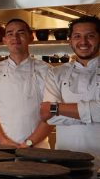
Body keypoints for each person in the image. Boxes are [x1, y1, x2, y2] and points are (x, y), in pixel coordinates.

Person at [0, 19, 51, 148]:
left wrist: (29, 143)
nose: (15, 37)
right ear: (4, 40)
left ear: (31, 37)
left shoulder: (47, 70)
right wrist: (4, 142)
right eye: (10, 34)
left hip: (38, 149)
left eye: (21, 33)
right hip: (2, 149)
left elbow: (51, 114)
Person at [40, 16, 100, 156]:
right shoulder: (56, 73)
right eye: (77, 36)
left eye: (90, 36)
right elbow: (50, 117)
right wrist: (92, 114)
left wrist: (58, 108)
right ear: (70, 41)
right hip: (65, 159)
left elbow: (51, 110)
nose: (83, 41)